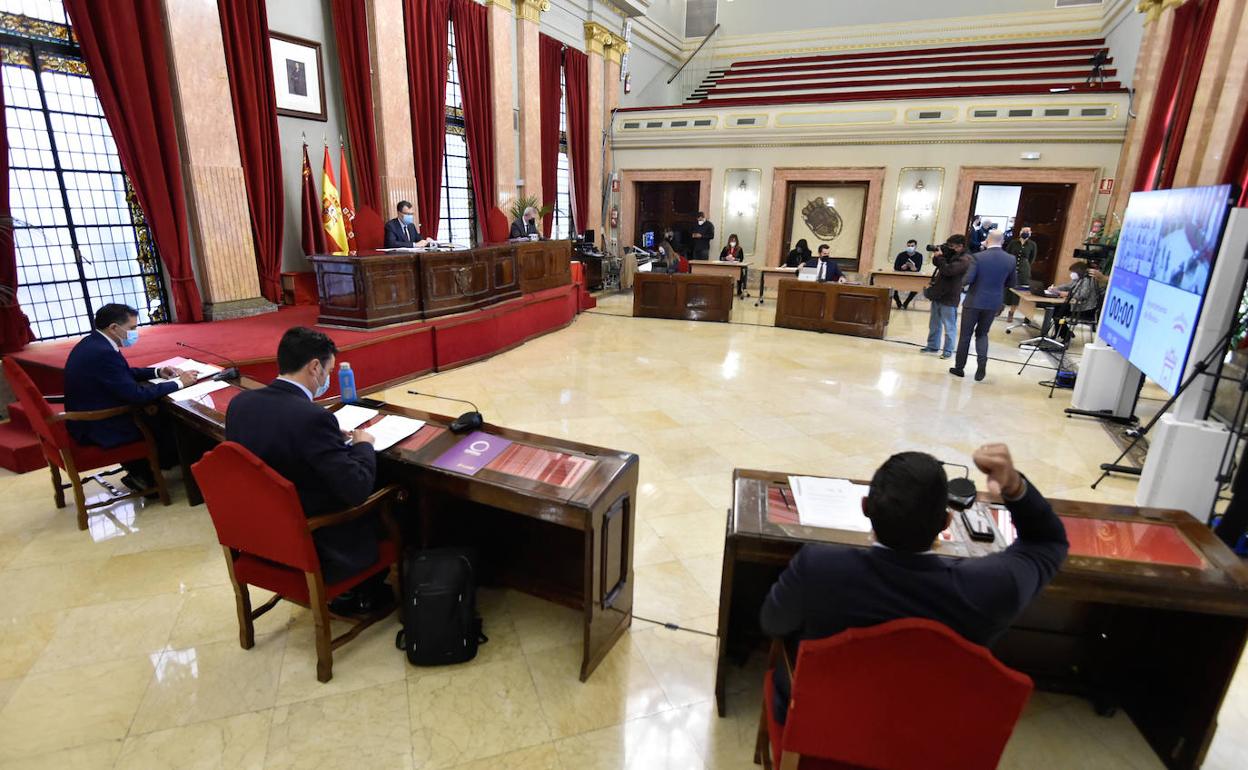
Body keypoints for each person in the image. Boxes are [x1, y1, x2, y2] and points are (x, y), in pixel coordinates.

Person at [760, 443, 1068, 724]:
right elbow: (1048, 542)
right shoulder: (992, 588)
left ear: (866, 507)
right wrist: (1013, 486)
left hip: (823, 726)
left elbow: (773, 621)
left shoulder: (819, 567)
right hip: (928, 735)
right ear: (947, 522)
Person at [225, 327, 388, 613]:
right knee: (393, 492)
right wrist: (363, 444)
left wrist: (329, 439)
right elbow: (357, 488)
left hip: (260, 534)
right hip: (316, 543)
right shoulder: (312, 417)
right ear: (315, 367)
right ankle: (363, 591)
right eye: (329, 370)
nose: (327, 378)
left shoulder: (240, 404)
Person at [63, 303, 197, 492]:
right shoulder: (103, 352)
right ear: (114, 328)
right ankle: (150, 473)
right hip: (99, 424)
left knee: (158, 412)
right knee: (170, 419)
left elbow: (122, 373)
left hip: (89, 413)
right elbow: (136, 396)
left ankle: (148, 469)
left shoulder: (93, 342)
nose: (135, 332)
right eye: (132, 328)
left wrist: (157, 372)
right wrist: (180, 383)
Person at [950, 230, 1016, 381]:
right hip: (994, 302)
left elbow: (968, 279)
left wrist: (961, 283)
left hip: (974, 301)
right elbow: (1012, 283)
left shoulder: (978, 257)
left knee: (965, 335)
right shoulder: (1010, 259)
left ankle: (959, 368)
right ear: (1003, 241)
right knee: (982, 334)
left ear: (987, 240)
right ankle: (982, 363)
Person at [920, 235, 970, 359]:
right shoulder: (951, 255)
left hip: (950, 296)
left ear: (960, 246)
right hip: (938, 293)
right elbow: (938, 264)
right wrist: (938, 256)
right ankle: (932, 346)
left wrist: (941, 257)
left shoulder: (965, 259)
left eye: (951, 246)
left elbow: (949, 270)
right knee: (934, 324)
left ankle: (948, 350)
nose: (949, 248)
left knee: (949, 325)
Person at [1048, 261, 1101, 343]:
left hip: (1085, 309)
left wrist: (1066, 294)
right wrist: (1056, 288)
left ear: (1079, 271)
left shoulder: (1087, 280)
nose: (1072, 274)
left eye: (1073, 272)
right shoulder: (1078, 279)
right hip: (1077, 306)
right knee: (1056, 310)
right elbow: (1068, 286)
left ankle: (1065, 334)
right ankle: (1065, 333)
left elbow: (1083, 295)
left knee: (1058, 312)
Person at [1003, 227, 1036, 322]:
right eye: (1023, 231)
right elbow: (1007, 254)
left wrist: (1024, 266)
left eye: (1027, 231)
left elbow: (1031, 259)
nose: (1025, 233)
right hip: (1011, 267)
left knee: (1018, 291)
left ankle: (1011, 312)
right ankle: (1000, 307)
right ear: (1020, 232)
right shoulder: (1013, 242)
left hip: (1023, 270)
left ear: (1030, 233)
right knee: (1007, 288)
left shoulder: (1032, 244)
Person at [892, 239, 923, 309]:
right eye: (908, 246)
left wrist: (914, 268)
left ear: (916, 247)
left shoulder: (919, 256)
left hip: (913, 277)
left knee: (916, 287)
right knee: (892, 286)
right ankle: (898, 302)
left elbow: (918, 269)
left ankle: (906, 302)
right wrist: (901, 268)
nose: (910, 247)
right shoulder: (901, 255)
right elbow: (895, 267)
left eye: (912, 246)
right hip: (900, 276)